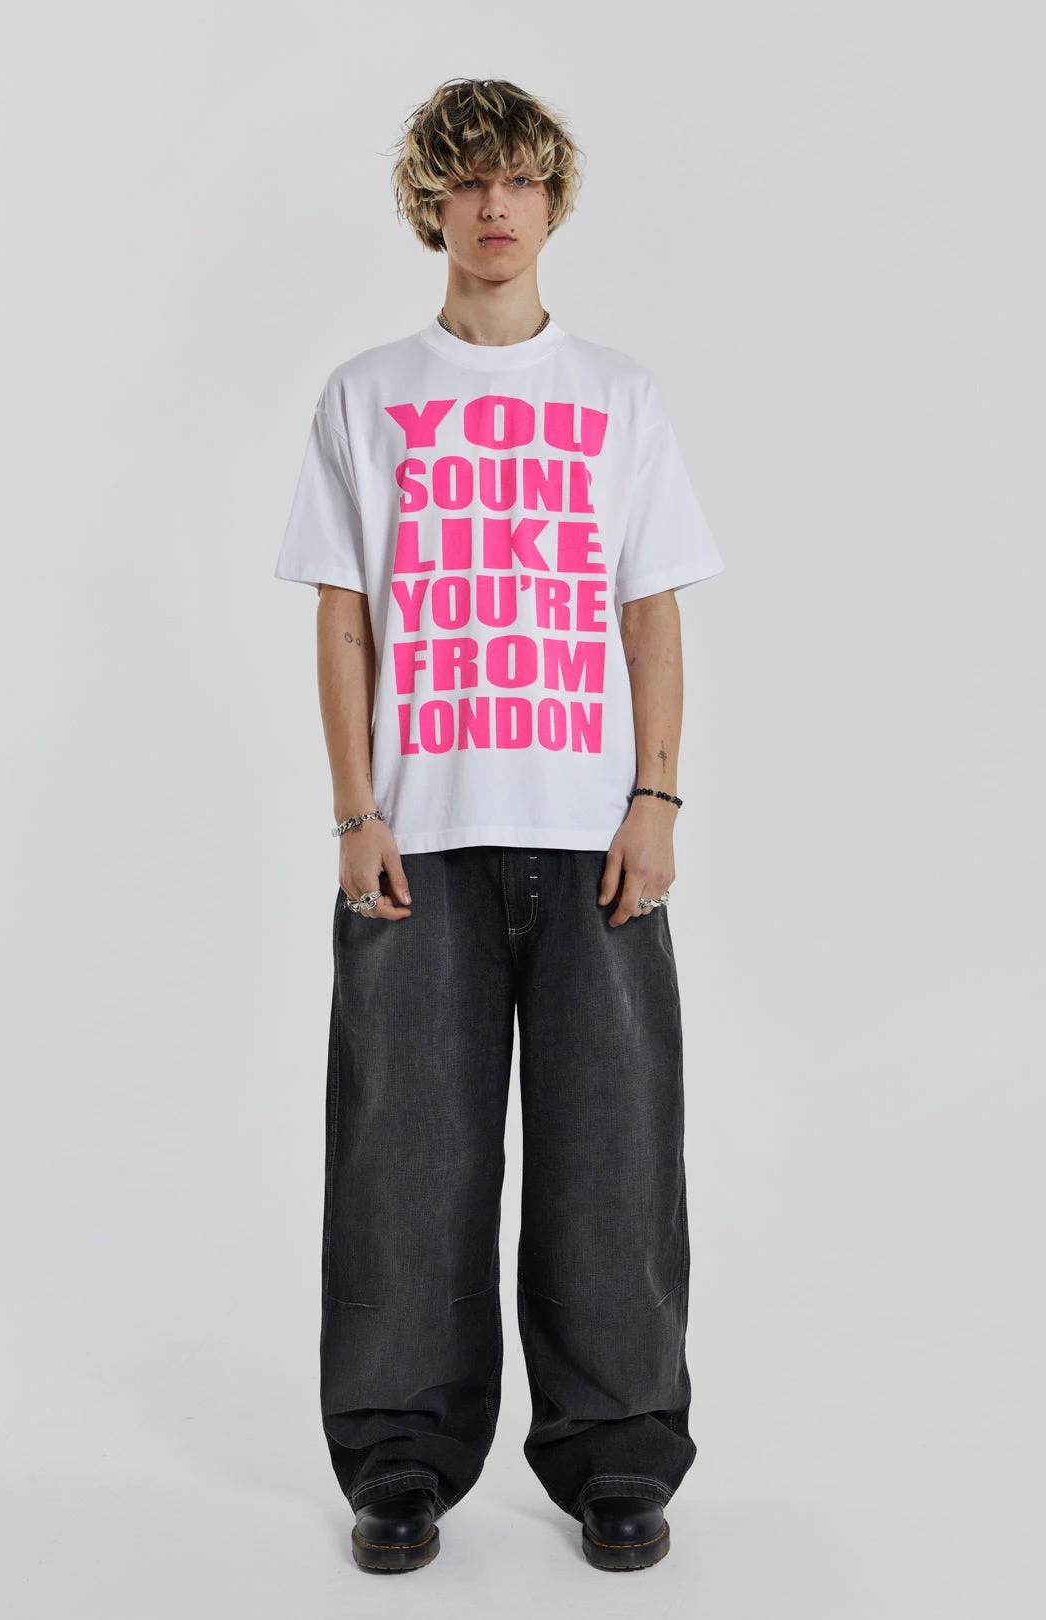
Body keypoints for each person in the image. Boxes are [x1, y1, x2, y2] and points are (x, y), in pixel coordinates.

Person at [274, 77, 724, 1574]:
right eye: (467, 179)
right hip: (418, 837)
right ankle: (401, 1457)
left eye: (520, 177)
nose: (494, 205)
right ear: (433, 204)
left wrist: (655, 797)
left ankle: (618, 1456)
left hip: (594, 834)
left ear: (552, 200)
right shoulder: (365, 395)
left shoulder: (618, 397)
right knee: (404, 1161)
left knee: (615, 1156)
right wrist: (355, 811)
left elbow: (650, 613)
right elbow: (344, 622)